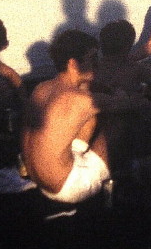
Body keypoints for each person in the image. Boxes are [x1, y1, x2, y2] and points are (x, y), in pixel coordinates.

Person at [20, 30, 112, 204]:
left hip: (40, 181)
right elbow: (129, 103)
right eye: (93, 59)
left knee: (90, 118)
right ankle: (133, 171)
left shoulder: (41, 88)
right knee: (119, 120)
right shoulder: (81, 100)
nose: (97, 63)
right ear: (73, 63)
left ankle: (83, 156)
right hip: (68, 188)